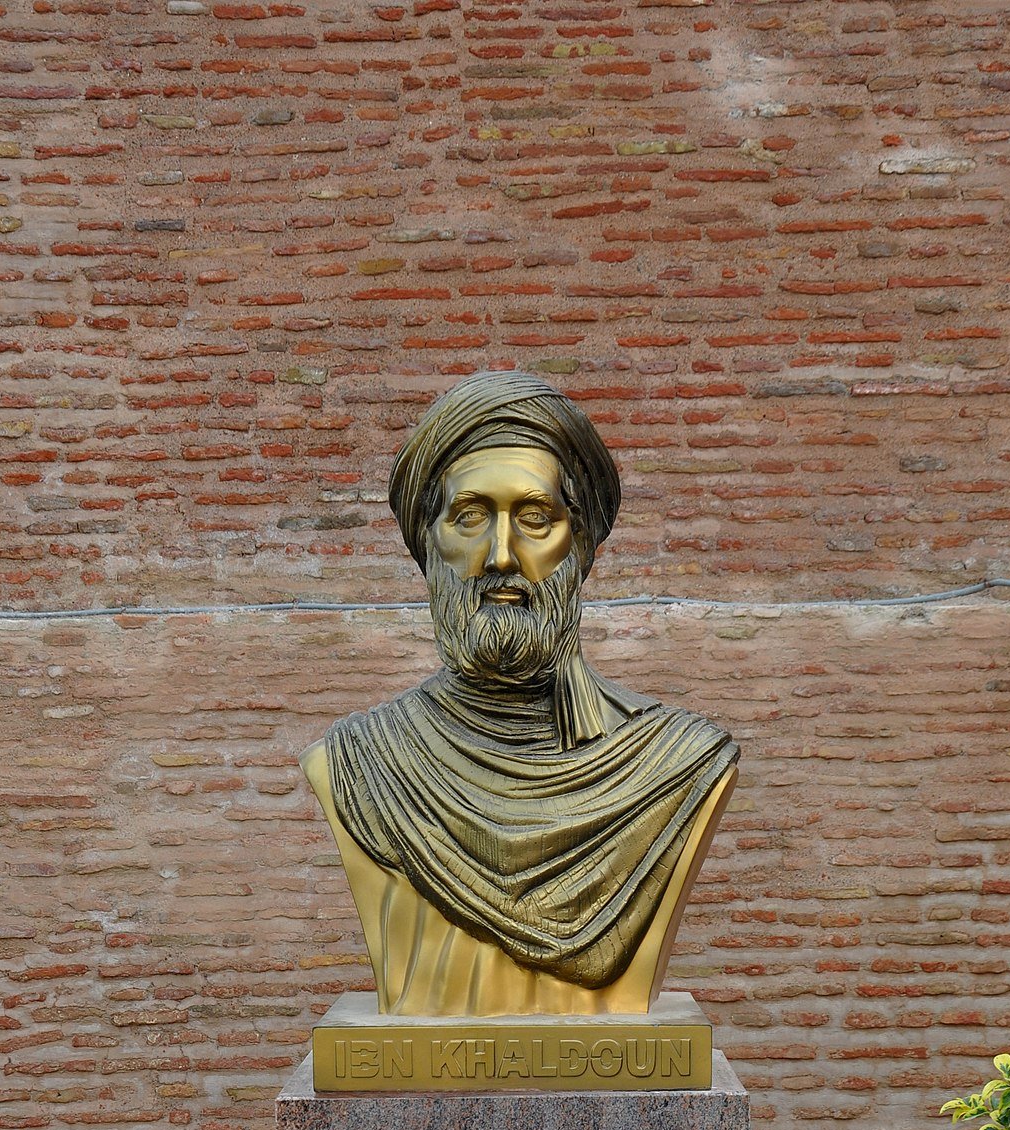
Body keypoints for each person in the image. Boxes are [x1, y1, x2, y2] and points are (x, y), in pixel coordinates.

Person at [301, 370, 738, 1016]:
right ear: (428, 542)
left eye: (535, 517)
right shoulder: (358, 766)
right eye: (470, 517)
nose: (501, 555)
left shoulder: (679, 765)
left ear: (580, 544)